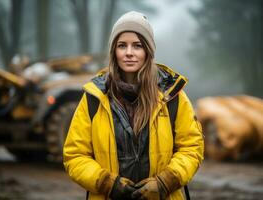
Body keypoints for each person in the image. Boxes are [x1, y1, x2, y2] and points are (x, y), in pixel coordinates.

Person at [63, 11, 204, 200]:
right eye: (122, 45)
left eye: (137, 46)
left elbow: (192, 148)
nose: (129, 52)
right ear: (114, 51)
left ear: (148, 50)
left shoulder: (172, 96)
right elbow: (75, 155)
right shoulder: (94, 98)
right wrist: (106, 183)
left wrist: (165, 183)